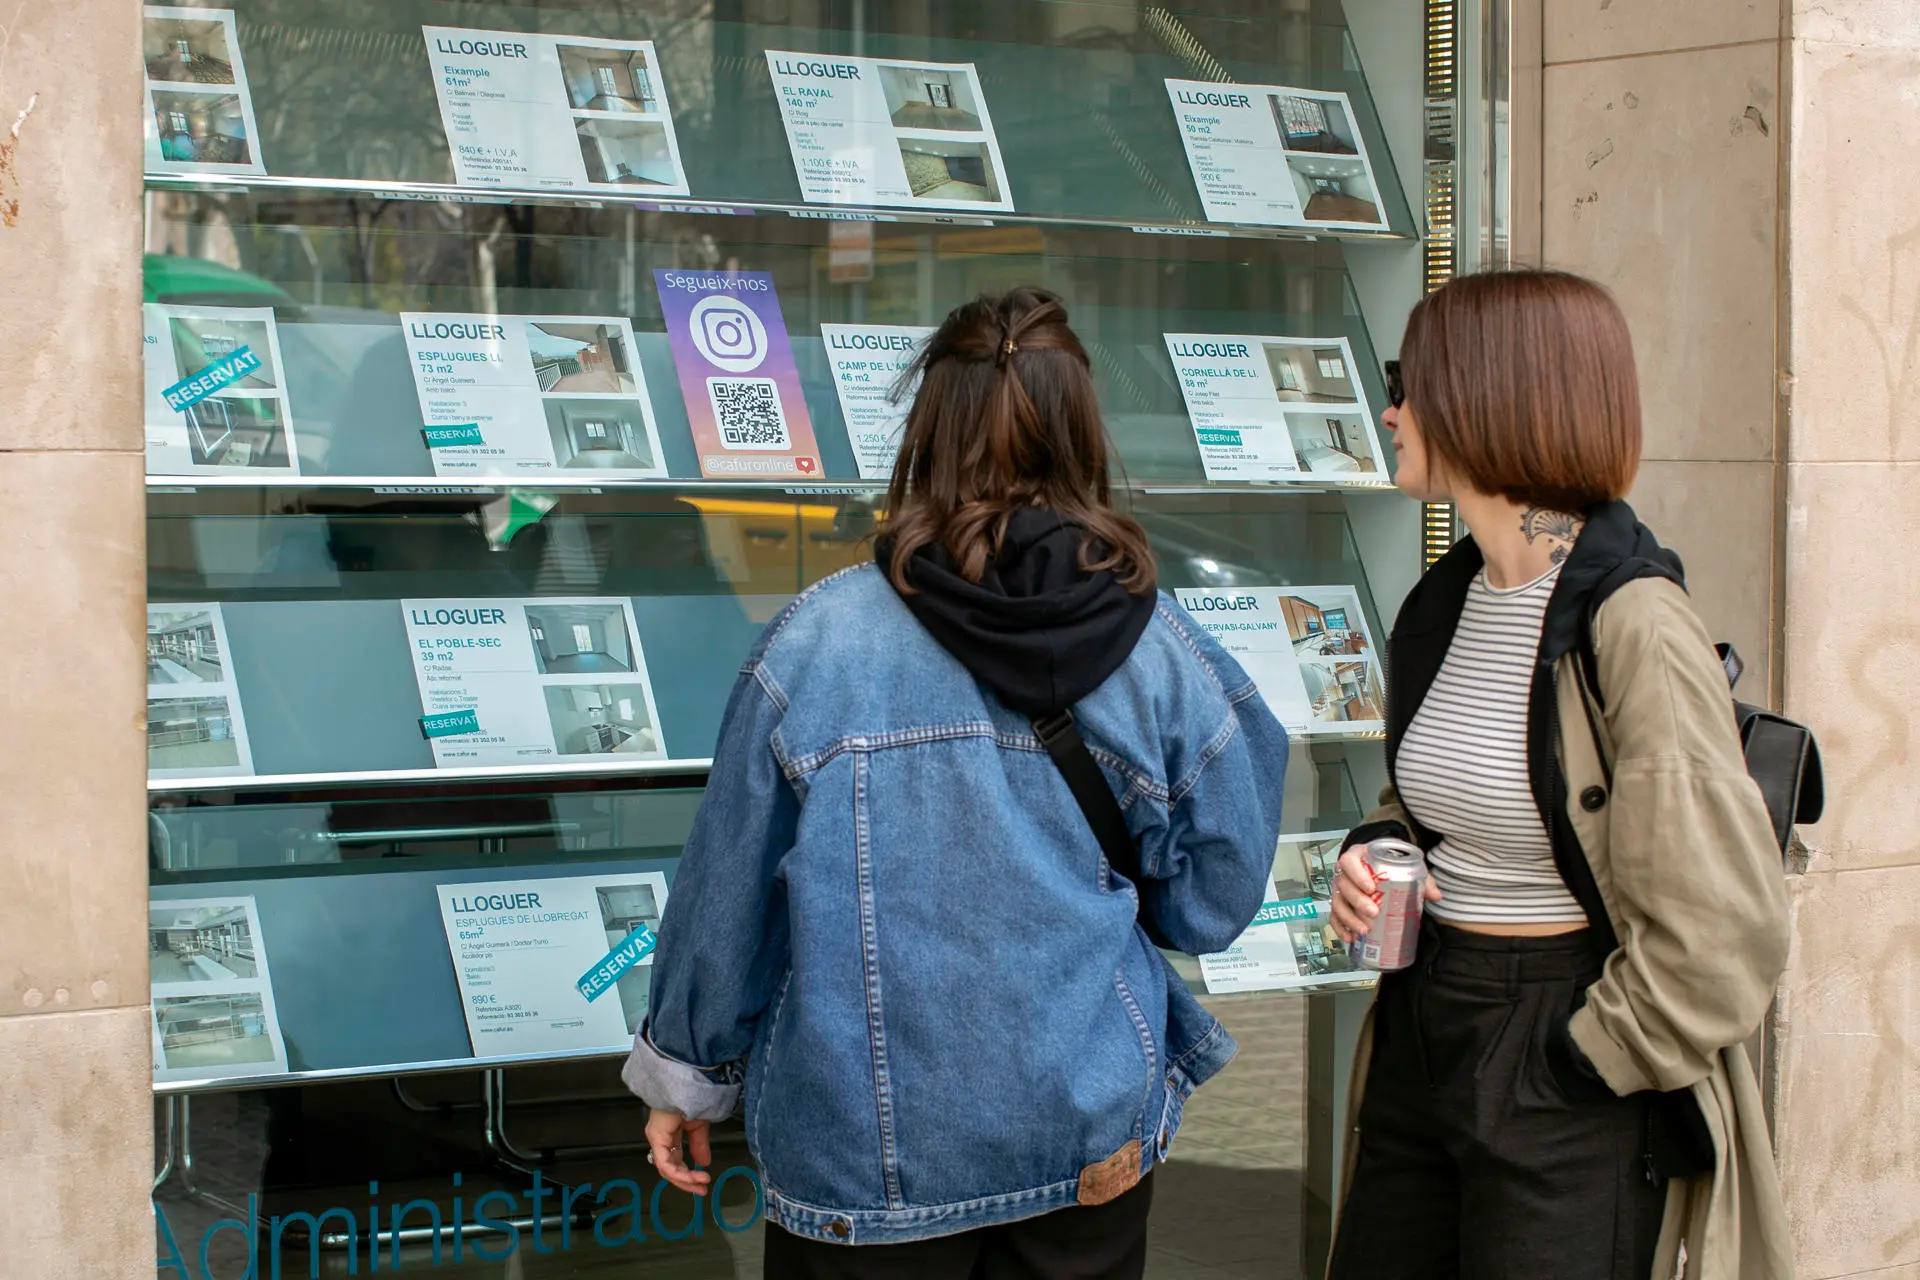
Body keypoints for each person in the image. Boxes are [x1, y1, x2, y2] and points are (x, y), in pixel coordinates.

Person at [622, 287, 1288, 1278]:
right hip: (1084, 1132)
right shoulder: (1160, 647)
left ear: (927, 427)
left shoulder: (818, 642)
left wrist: (686, 1073)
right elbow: (1212, 902)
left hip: (862, 1162)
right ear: (1079, 430)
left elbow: (730, 893)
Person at [1324, 269, 1794, 1280]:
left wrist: (1584, 1060)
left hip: (1560, 1040)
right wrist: (1374, 851)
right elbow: (1432, 797)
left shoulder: (1633, 623)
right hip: (1425, 1019)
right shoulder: (1443, 602)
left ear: (1489, 400)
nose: (1391, 409)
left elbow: (1728, 928)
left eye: (1414, 380)